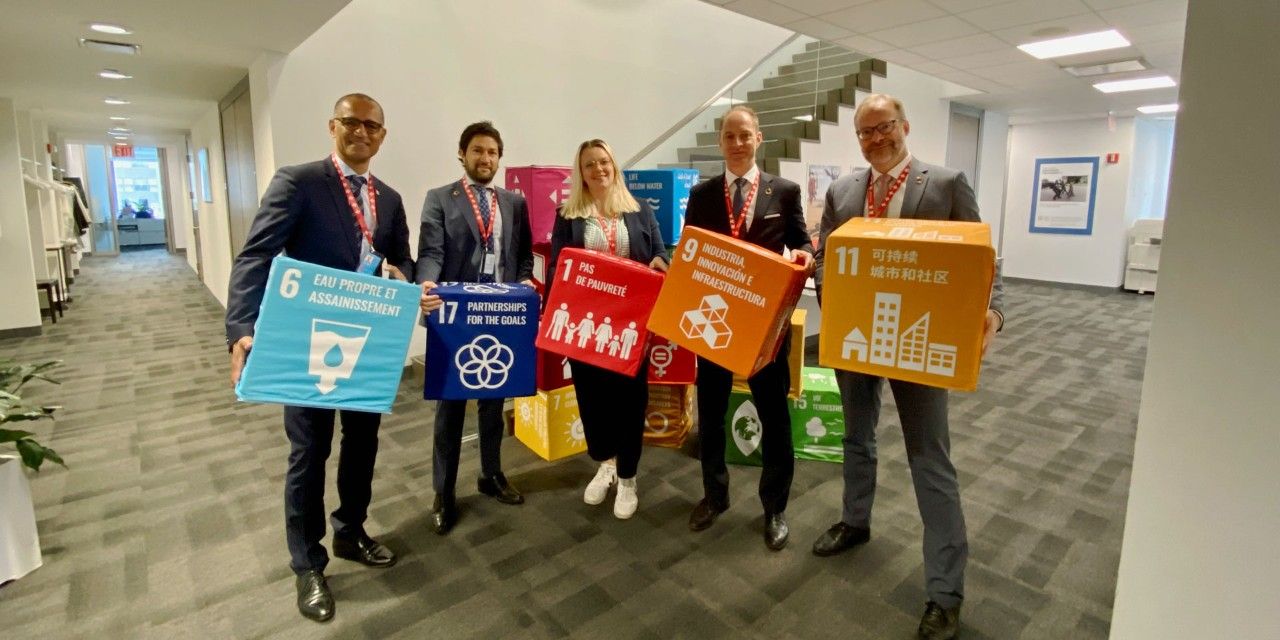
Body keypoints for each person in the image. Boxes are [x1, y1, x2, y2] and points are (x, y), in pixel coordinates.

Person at [812, 93, 1005, 640]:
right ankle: (855, 521)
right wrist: (833, 298)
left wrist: (993, 311)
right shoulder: (844, 191)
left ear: (905, 126)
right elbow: (826, 254)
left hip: (917, 343)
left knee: (929, 459)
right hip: (858, 338)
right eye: (866, 131)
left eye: (885, 127)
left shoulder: (945, 184)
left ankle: (944, 592)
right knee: (856, 437)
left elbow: (983, 259)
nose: (877, 138)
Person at [225, 93, 412, 623]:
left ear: (382, 136)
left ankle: (351, 530)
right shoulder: (300, 182)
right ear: (333, 126)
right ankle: (307, 563)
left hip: (367, 341)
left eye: (371, 126)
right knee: (309, 450)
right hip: (308, 340)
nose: (361, 132)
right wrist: (241, 328)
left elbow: (401, 256)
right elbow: (256, 255)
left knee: (363, 442)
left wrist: (403, 275)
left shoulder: (390, 198)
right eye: (351, 122)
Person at [683, 105, 815, 551]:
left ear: (759, 138)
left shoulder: (785, 192)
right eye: (729, 136)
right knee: (711, 415)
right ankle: (714, 496)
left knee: (774, 416)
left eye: (745, 135)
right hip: (714, 322)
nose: (737, 143)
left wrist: (805, 255)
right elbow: (692, 251)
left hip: (764, 327)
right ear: (720, 142)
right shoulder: (702, 195)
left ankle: (774, 507)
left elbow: (801, 241)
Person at [416, 121, 533, 535]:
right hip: (456, 315)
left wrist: (524, 281)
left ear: (500, 158)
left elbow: (522, 255)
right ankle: (443, 492)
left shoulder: (514, 202)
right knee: (450, 408)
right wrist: (425, 283)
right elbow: (430, 252)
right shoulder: (440, 198)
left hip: (499, 313)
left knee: (493, 403)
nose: (486, 158)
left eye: (492, 152)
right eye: (478, 151)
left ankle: (491, 474)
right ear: (462, 154)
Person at [548, 139, 668, 519]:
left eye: (604, 162)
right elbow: (556, 269)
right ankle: (605, 464)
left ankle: (628, 477)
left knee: (630, 401)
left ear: (614, 166)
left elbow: (660, 252)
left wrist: (660, 262)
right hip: (587, 328)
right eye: (589, 165)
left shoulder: (640, 210)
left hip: (630, 326)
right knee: (592, 399)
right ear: (580, 173)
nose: (598, 169)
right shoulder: (568, 215)